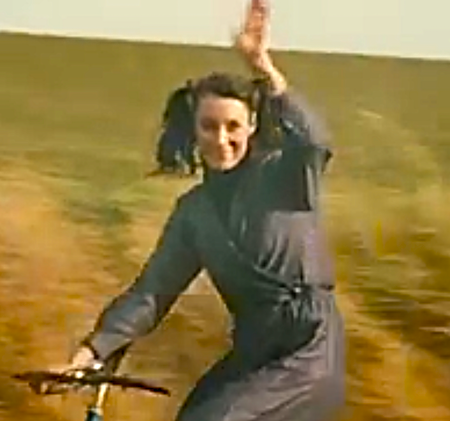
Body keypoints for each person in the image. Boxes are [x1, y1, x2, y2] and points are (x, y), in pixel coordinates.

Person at [55, 1, 346, 420]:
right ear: (194, 131)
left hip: (309, 348)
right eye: (209, 126)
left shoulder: (284, 176)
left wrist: (264, 68)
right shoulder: (194, 213)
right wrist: (91, 351)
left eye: (233, 126)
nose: (221, 139)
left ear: (251, 127)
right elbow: (151, 294)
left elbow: (315, 143)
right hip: (253, 349)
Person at [155, 79, 197, 175]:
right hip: (177, 124)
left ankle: (189, 167)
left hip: (186, 127)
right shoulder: (178, 97)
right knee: (169, 144)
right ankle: (168, 164)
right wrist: (166, 119)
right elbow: (170, 108)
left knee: (186, 147)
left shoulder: (196, 99)